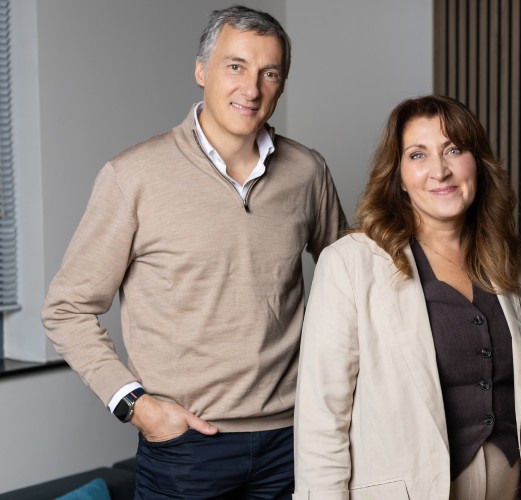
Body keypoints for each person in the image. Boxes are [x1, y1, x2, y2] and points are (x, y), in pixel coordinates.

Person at [41, 5, 346, 498]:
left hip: (295, 440)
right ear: (202, 70)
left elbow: (350, 285)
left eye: (270, 73)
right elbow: (66, 309)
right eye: (236, 66)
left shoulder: (307, 172)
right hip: (186, 446)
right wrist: (137, 407)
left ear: (282, 84)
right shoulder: (133, 176)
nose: (251, 89)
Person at [293, 95, 521, 500]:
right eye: (418, 155)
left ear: (478, 162)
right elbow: (322, 417)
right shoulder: (350, 264)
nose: (440, 170)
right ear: (398, 176)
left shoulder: (514, 260)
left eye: (454, 149)